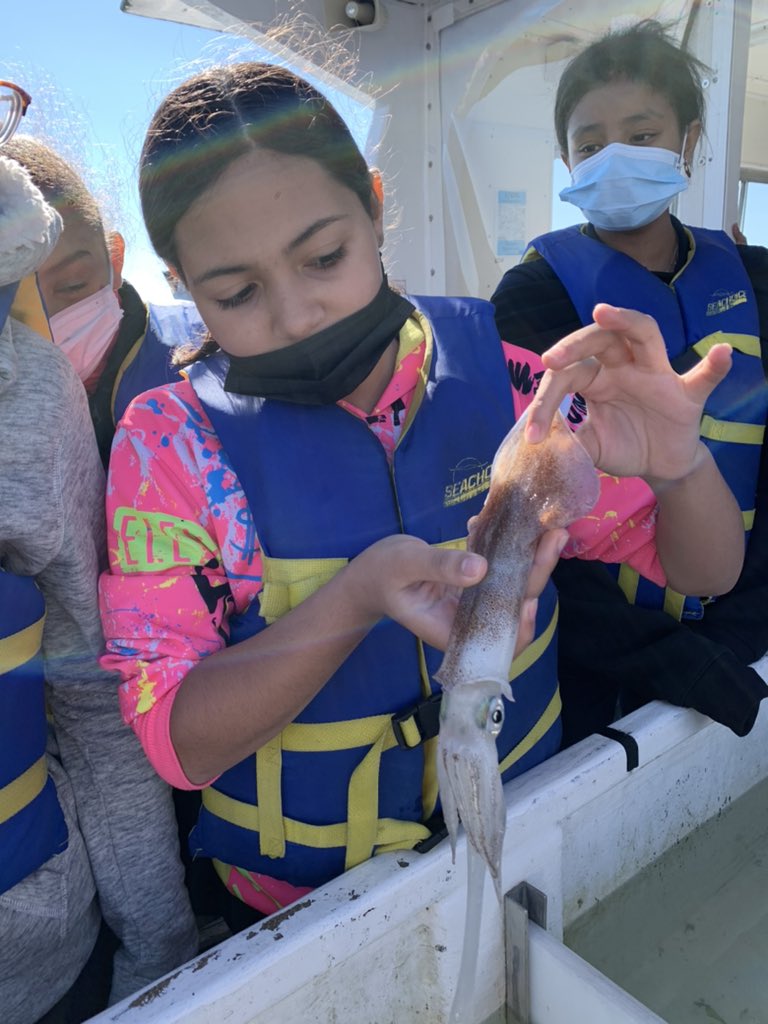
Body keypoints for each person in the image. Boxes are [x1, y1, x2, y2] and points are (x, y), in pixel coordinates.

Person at [98, 61, 744, 931]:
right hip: (304, 919)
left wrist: (679, 466)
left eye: (325, 256)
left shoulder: (512, 380)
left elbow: (702, 570)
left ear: (373, 206)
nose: (297, 313)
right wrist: (359, 595)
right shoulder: (168, 445)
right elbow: (180, 741)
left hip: (527, 838)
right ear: (179, 279)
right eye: (236, 292)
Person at [491, 20, 768, 746]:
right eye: (590, 144)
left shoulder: (759, 279)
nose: (615, 157)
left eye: (642, 136)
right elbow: (530, 514)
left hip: (751, 641)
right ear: (567, 160)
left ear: (689, 140)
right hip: (605, 671)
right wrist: (666, 660)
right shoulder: (528, 301)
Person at [0, 83, 197, 1024]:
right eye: (17, 295)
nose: (40, 318)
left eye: (68, 283)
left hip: (157, 764)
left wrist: (158, 946)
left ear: (115, 263)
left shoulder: (91, 413)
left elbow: (90, 693)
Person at [3, 136, 206, 466]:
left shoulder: (207, 349)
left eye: (73, 284)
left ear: (115, 260)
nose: (48, 326)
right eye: (15, 306)